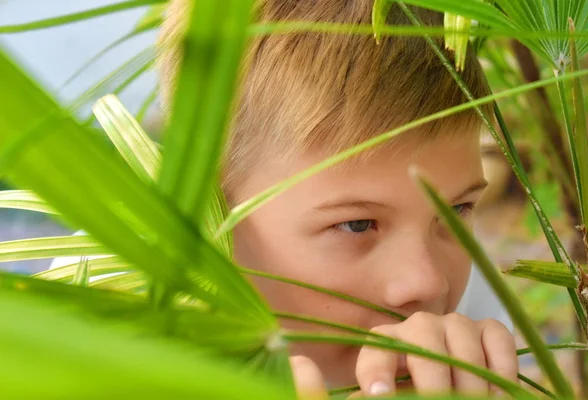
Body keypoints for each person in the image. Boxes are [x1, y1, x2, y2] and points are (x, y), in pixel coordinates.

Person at [90, 0, 524, 397]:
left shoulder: (480, 325)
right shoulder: (98, 354)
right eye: (357, 224)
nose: (430, 284)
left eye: (456, 210)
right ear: (209, 209)